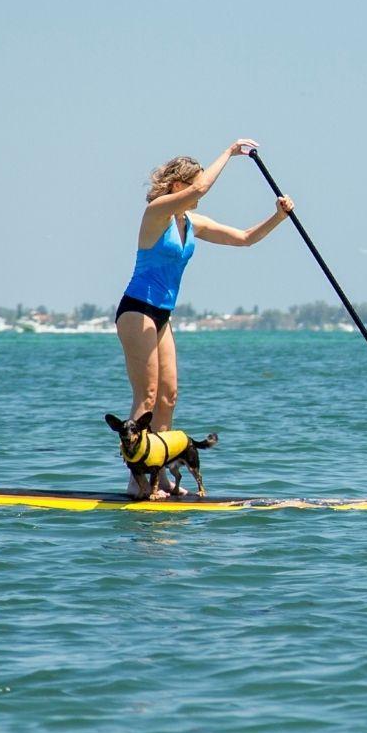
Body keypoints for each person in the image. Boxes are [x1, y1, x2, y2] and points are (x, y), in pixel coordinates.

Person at [115, 138, 293, 497]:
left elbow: (243, 238)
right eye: (193, 185)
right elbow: (202, 186)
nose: (201, 194)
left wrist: (278, 216)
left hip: (163, 314)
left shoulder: (191, 222)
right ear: (179, 186)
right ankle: (136, 479)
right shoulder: (157, 213)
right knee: (146, 396)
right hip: (137, 309)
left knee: (168, 397)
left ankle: (159, 474)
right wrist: (230, 152)